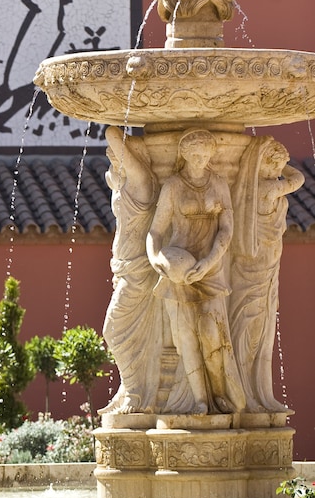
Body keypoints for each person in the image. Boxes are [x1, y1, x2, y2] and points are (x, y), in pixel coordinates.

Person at [147, 129, 245, 414]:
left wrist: (210, 262)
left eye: (205, 154)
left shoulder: (219, 183)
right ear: (185, 154)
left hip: (210, 268)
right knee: (186, 337)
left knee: (212, 333)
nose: (201, 159)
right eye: (196, 154)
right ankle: (200, 399)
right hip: (178, 268)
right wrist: (155, 258)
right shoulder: (173, 186)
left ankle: (219, 393)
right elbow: (155, 231)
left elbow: (226, 229)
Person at [230, 137, 304, 412]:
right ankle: (248, 390)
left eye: (280, 165)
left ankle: (252, 390)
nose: (278, 169)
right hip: (258, 267)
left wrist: (264, 157)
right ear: (262, 165)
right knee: (251, 326)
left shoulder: (255, 189)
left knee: (254, 325)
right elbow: (298, 180)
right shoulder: (267, 188)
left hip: (263, 264)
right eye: (274, 164)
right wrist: (282, 166)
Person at [100, 126, 161, 414]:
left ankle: (136, 393)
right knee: (130, 334)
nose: (113, 157)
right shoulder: (125, 183)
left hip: (138, 271)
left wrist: (111, 117)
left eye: (118, 155)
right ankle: (128, 388)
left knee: (113, 330)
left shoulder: (142, 182)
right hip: (125, 268)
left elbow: (113, 134)